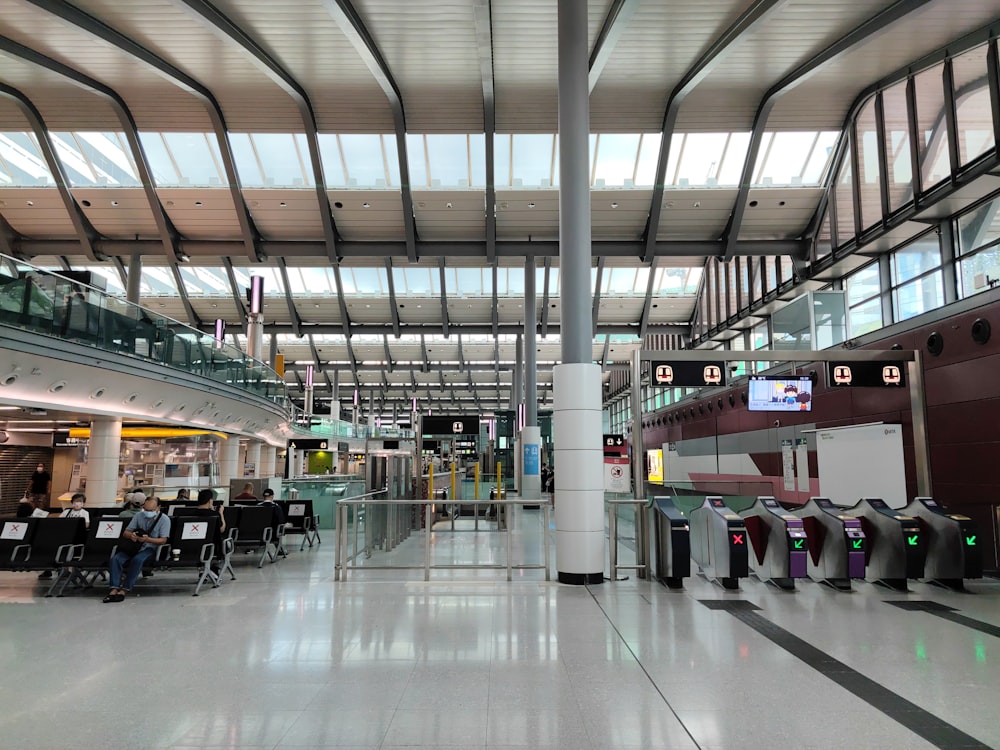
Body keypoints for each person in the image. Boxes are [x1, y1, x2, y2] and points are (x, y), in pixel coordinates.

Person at [103, 496, 170, 603]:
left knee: (137, 560)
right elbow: (126, 532)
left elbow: (163, 540)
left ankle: (124, 589)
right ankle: (113, 588)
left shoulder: (164, 520)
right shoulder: (139, 516)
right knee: (116, 559)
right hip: (134, 546)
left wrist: (148, 539)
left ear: (158, 508)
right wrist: (132, 536)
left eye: (151, 510)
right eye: (146, 509)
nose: (147, 512)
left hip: (150, 549)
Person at [184, 489, 227, 574]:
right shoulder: (214, 515)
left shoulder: (189, 514)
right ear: (210, 501)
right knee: (226, 543)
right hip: (211, 547)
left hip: (191, 548)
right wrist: (221, 513)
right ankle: (212, 569)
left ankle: (205, 570)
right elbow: (222, 529)